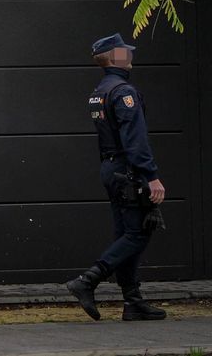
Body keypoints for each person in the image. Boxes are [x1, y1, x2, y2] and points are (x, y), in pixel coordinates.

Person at [64, 32, 168, 322]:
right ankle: (87, 281)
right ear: (113, 58)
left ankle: (133, 302)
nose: (130, 55)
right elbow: (134, 139)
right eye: (125, 52)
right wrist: (151, 176)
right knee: (137, 234)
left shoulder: (99, 91)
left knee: (126, 234)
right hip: (129, 170)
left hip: (111, 169)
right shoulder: (124, 92)